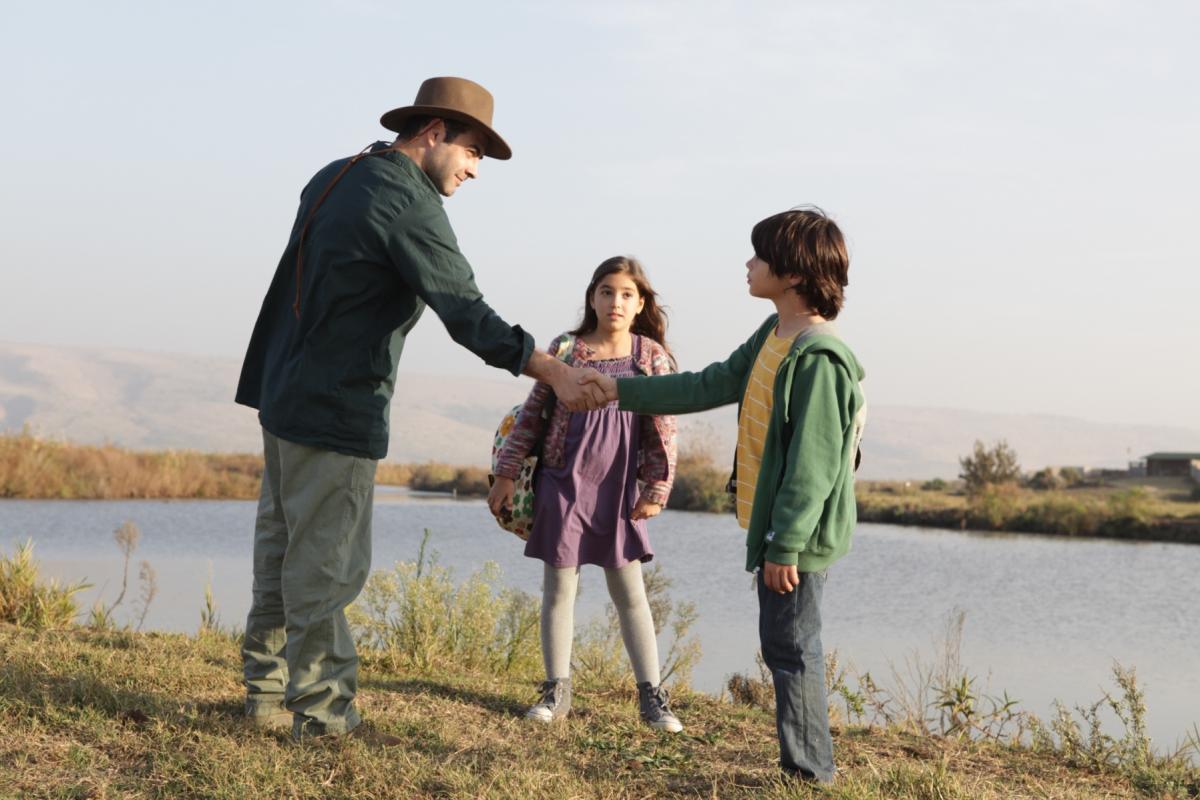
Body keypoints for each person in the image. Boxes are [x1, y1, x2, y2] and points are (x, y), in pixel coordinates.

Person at [234, 76, 606, 743]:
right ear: (432, 133)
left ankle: (262, 695)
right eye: (471, 153)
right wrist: (551, 367)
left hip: (283, 393)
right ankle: (321, 717)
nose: (473, 170)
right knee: (324, 566)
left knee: (281, 553)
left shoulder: (334, 175)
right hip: (336, 408)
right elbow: (464, 310)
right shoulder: (406, 200)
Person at [581, 208, 866, 781]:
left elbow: (813, 465)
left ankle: (810, 775)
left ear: (790, 273)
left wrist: (785, 543)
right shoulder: (775, 335)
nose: (748, 263)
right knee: (783, 644)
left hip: (796, 535)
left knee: (792, 649)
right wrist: (617, 388)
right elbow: (709, 383)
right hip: (778, 531)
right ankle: (805, 768)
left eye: (758, 256)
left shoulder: (820, 358)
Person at [487, 256, 683, 732]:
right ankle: (556, 691)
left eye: (626, 294)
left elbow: (664, 427)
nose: (615, 302)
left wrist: (657, 486)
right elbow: (533, 414)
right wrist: (506, 473)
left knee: (630, 593)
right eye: (606, 292)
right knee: (559, 591)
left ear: (640, 305)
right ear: (592, 298)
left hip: (619, 491)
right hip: (563, 484)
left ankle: (651, 697)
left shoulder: (649, 356)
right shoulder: (567, 349)